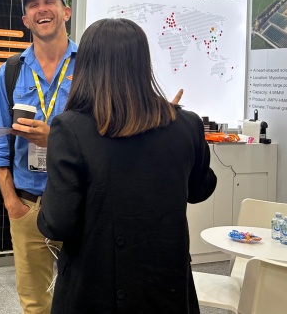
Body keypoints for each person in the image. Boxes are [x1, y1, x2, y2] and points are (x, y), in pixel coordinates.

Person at [37, 18, 217, 314]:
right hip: (166, 286)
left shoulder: (69, 128)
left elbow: (58, 223)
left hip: (94, 289)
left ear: (87, 66)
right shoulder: (186, 124)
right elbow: (200, 189)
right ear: (143, 64)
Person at [0, 0, 75, 313]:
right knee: (35, 304)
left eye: (49, 1)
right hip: (28, 207)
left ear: (65, 11)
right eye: (33, 4)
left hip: (79, 202)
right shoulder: (11, 72)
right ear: (26, 20)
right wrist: (11, 203)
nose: (42, 9)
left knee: (83, 298)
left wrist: (55, 139)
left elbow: (102, 136)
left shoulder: (90, 67)